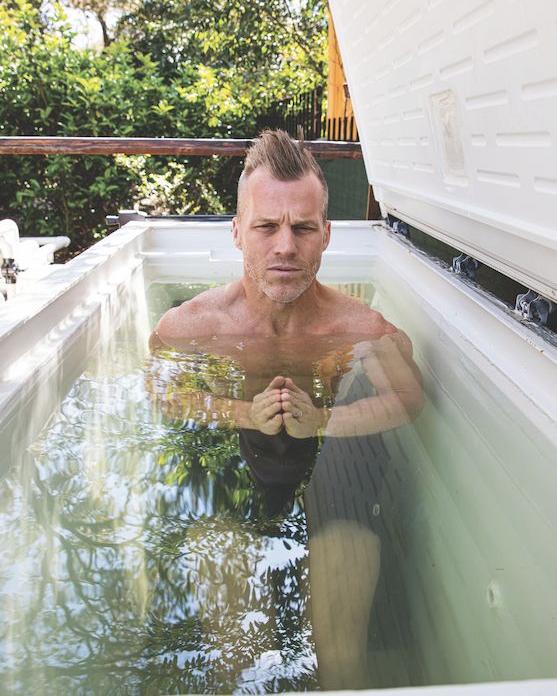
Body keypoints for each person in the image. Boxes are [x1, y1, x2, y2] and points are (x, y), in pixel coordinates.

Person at [149, 129, 424, 688]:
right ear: (236, 233)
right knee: (236, 663)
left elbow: (409, 398)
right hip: (233, 454)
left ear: (325, 235)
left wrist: (323, 421)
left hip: (332, 463)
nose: (284, 246)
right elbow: (162, 393)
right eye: (266, 226)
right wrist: (243, 415)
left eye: (302, 228)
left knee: (342, 661)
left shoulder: (362, 328)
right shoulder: (188, 328)